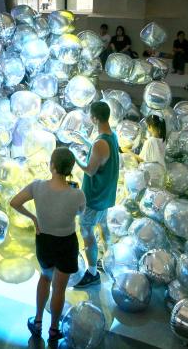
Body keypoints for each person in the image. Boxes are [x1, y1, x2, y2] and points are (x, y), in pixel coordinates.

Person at [10, 148, 86, 342]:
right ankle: (54, 329)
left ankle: (37, 322)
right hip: (67, 243)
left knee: (45, 278)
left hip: (44, 241)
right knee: (59, 289)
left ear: (51, 165)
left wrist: (33, 218)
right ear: (70, 169)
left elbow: (15, 202)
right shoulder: (78, 194)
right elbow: (80, 213)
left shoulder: (37, 186)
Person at [73, 101, 119, 288]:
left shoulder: (100, 143)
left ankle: (92, 272)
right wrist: (85, 141)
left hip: (94, 197)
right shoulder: (111, 135)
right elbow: (100, 151)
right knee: (103, 226)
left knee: (86, 231)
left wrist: (73, 156)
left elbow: (90, 170)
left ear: (94, 118)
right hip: (106, 195)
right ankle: (108, 261)